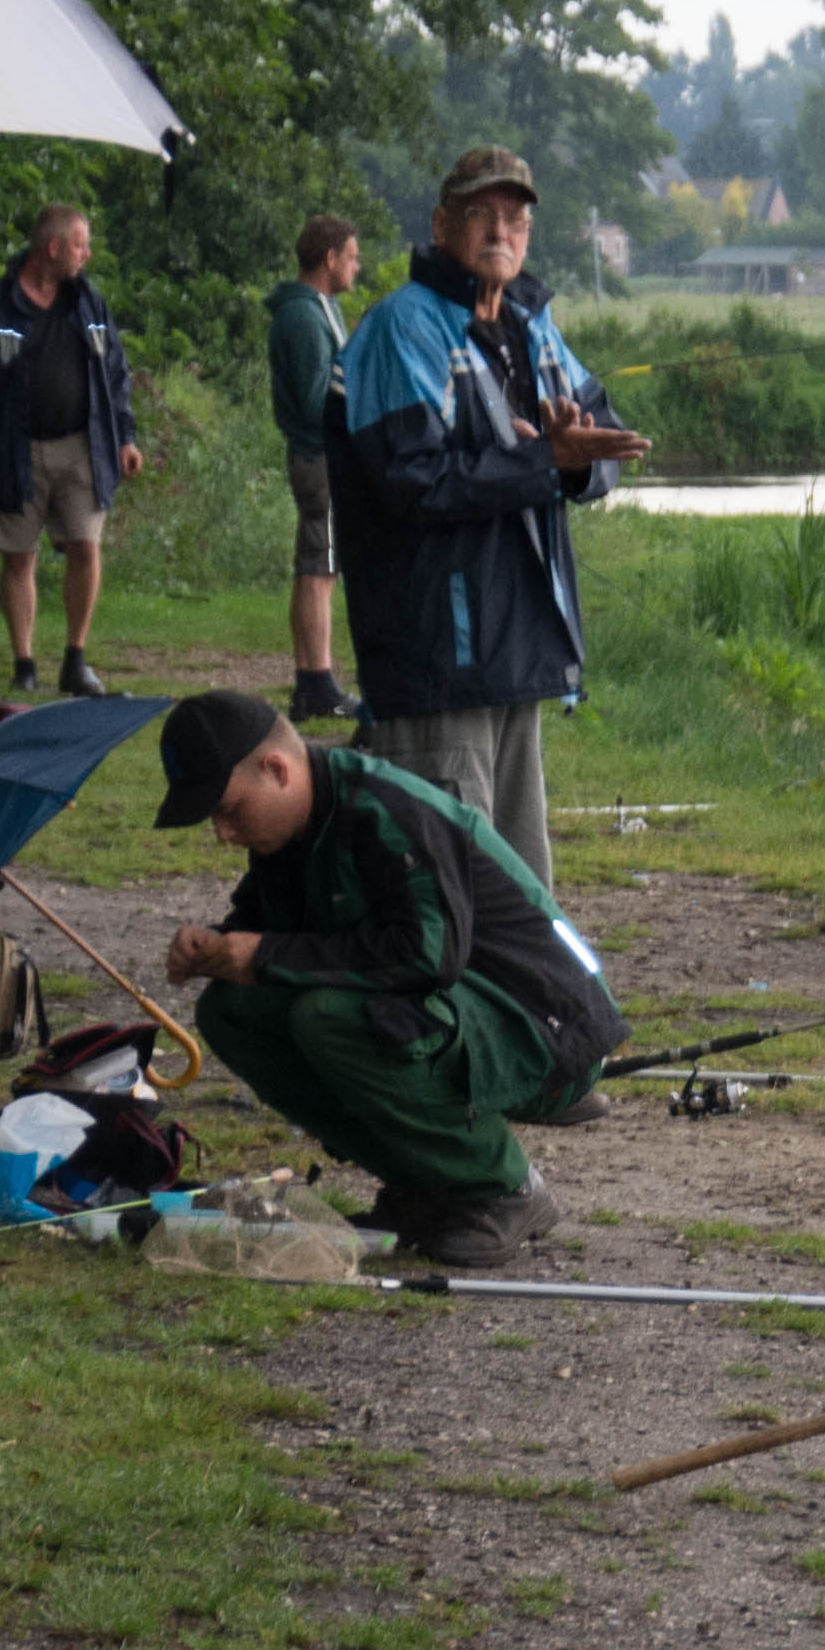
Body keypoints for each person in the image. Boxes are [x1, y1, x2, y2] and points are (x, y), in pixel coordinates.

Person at [152, 685, 625, 1270]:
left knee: (327, 1016)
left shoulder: (388, 809)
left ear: (277, 770)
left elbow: (427, 956)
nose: (222, 833)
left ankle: (503, 1188)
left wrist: (267, 954)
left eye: (227, 809)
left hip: (549, 1031)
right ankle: (424, 1182)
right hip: (459, 1013)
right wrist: (218, 944)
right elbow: (278, 925)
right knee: (230, 1012)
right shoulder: (286, 829)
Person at [334, 146, 644, 896]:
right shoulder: (402, 330)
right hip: (436, 655)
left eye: (516, 217)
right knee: (443, 887)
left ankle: (518, 1015)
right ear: (443, 225)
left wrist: (574, 465)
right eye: (482, 215)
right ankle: (441, 1016)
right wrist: (543, 466)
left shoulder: (532, 326)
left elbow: (600, 434)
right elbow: (415, 484)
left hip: (516, 650)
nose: (501, 230)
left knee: (517, 889)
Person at [0, 202, 150, 693]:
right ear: (52, 248)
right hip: (14, 449)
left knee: (86, 546)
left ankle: (76, 659)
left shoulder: (89, 304)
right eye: (79, 245)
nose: (86, 254)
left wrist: (127, 436)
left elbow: (114, 373)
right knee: (18, 557)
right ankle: (25, 665)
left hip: (83, 446)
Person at [267, 213, 366, 721]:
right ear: (329, 259)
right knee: (319, 571)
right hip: (319, 455)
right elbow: (312, 399)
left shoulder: (318, 308)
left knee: (316, 565)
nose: (357, 266)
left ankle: (312, 679)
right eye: (351, 256)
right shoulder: (305, 317)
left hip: (321, 455)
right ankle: (318, 682)